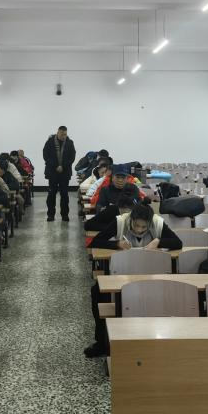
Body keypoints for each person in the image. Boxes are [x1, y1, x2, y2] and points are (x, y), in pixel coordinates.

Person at [83, 202, 182, 358]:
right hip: (123, 274)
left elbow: (178, 243)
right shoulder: (120, 222)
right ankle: (102, 342)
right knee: (98, 291)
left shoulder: (157, 223)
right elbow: (96, 242)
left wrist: (158, 241)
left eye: (144, 227)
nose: (139, 230)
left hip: (151, 275)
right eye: (136, 225)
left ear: (149, 222)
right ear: (131, 219)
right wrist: (116, 244)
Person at [43, 126, 76, 222]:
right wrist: (56, 166)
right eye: (62, 134)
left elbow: (72, 157)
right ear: (57, 132)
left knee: (64, 194)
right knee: (51, 194)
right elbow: (46, 156)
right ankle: (50, 215)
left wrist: (63, 166)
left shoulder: (70, 143)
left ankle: (65, 215)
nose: (63, 136)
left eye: (65, 134)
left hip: (65, 173)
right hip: (52, 172)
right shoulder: (50, 142)